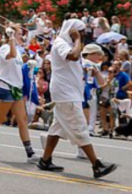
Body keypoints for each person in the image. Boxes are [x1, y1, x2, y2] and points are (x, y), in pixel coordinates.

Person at [36, 19, 117, 179]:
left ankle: (45, 160)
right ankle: (96, 164)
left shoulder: (69, 44)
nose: (83, 35)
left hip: (69, 93)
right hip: (66, 94)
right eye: (80, 32)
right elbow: (72, 56)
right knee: (80, 127)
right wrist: (78, 40)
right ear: (72, 31)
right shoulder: (61, 44)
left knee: (57, 128)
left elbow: (74, 61)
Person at [0, 27, 38, 163]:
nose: (21, 37)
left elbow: (16, 67)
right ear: (11, 34)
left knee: (22, 119)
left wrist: (28, 67)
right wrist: (10, 38)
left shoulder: (19, 52)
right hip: (5, 87)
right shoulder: (5, 48)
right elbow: (11, 55)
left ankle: (30, 153)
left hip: (16, 89)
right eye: (19, 34)